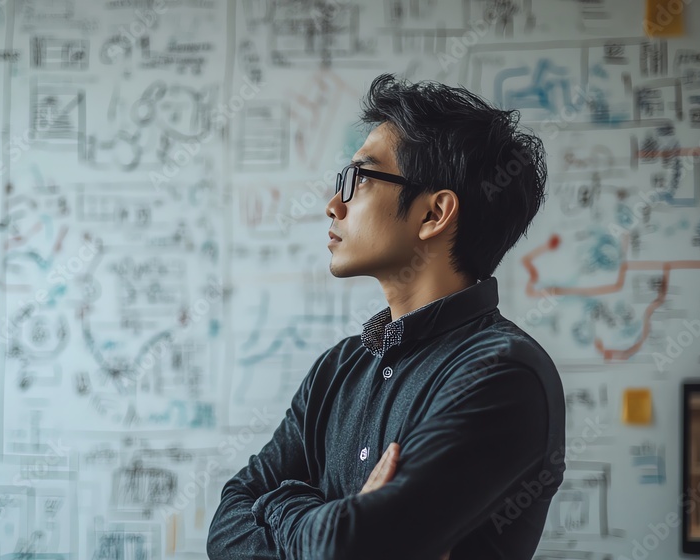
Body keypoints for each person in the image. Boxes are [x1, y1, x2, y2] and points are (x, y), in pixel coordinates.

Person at [207, 74, 566, 560]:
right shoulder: (337, 368)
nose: (334, 205)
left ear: (433, 214)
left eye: (359, 179)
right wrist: (330, 519)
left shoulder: (503, 375)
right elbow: (226, 526)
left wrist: (278, 504)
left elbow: (355, 546)